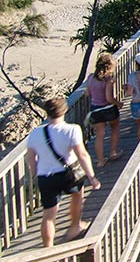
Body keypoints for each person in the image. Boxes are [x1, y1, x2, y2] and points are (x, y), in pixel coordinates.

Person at [25, 98, 100, 246]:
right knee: (77, 195)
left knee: (49, 214)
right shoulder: (72, 129)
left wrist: (35, 172)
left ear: (47, 113)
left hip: (46, 176)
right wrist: (92, 177)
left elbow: (30, 157)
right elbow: (82, 155)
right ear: (64, 111)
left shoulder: (35, 133)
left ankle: (48, 248)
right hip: (68, 174)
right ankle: (75, 226)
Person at [85, 53, 123, 168]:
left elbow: (87, 93)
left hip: (95, 110)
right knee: (115, 128)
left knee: (100, 135)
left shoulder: (91, 77)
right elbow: (109, 98)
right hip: (108, 109)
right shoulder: (108, 80)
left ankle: (100, 161)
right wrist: (118, 103)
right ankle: (112, 152)